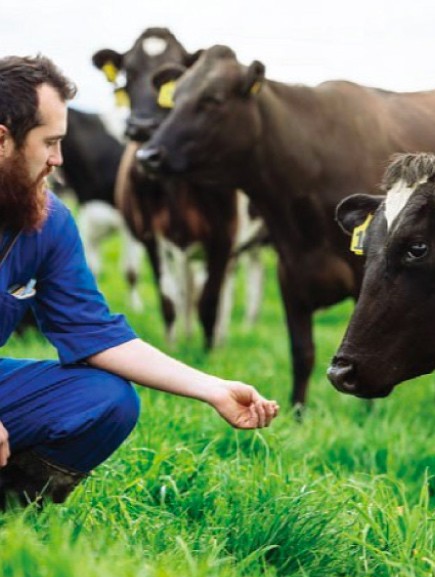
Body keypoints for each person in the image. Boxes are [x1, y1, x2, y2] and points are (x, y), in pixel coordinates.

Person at [0, 55, 279, 508]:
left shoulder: (47, 221)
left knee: (108, 398)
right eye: (49, 143)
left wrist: (212, 388)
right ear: (2, 141)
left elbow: (94, 332)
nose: (58, 160)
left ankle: (12, 509)